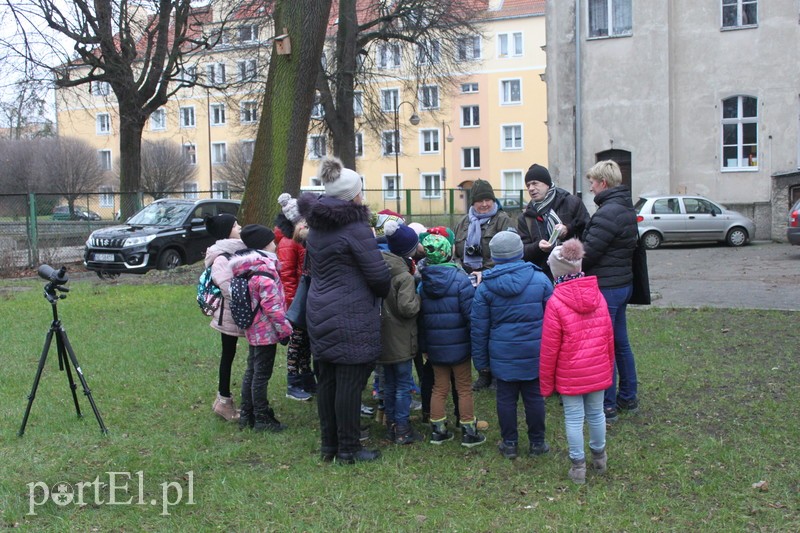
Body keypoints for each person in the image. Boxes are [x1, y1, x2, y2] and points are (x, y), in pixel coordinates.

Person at [298, 156, 391, 464]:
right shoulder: (356, 228)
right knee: (349, 382)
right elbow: (378, 276)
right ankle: (349, 449)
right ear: (353, 195)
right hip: (349, 313)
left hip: (319, 309)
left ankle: (329, 447)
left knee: (327, 380)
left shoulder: (317, 226)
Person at [471, 230, 553, 459]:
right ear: (520, 253)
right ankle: (537, 443)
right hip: (534, 353)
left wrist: (481, 363)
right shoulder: (540, 280)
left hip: (502, 355)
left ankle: (510, 444)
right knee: (535, 398)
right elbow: (553, 320)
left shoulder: (485, 287)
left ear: (494, 256)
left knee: (505, 400)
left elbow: (479, 328)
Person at [539, 238, 614, 484]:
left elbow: (549, 348)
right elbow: (608, 336)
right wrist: (609, 365)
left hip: (570, 372)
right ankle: (599, 457)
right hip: (598, 369)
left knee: (573, 417)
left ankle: (578, 466)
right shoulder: (599, 296)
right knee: (596, 414)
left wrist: (546, 384)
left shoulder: (555, 302)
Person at [581, 160, 640, 422]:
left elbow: (589, 253)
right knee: (621, 343)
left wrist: (567, 252)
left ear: (603, 183)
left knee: (605, 347)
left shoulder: (607, 212)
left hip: (608, 288)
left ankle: (607, 405)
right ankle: (628, 396)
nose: (591, 187)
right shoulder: (625, 208)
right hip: (623, 284)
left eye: (593, 182)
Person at [418, 233, 485, 447]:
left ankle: (438, 429)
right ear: (448, 252)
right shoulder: (460, 280)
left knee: (439, 387)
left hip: (436, 347)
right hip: (460, 346)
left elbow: (421, 319)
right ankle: (468, 430)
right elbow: (470, 315)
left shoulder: (423, 282)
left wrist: (425, 346)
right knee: (463, 387)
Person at [229, 225, 294, 432]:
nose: (275, 244)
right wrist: (285, 331)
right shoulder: (263, 271)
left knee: (252, 370)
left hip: (253, 328)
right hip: (265, 330)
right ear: (265, 244)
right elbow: (273, 307)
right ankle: (261, 417)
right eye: (272, 241)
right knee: (261, 375)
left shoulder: (247, 267)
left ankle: (247, 414)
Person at [453, 179, 514, 391]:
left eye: (488, 199)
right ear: (473, 202)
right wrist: (462, 272)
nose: (485, 204)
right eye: (480, 201)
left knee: (495, 331)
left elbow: (507, 253)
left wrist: (485, 273)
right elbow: (455, 254)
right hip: (469, 285)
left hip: (494, 282)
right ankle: (483, 373)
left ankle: (498, 374)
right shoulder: (463, 223)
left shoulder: (503, 220)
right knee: (477, 330)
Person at [379, 219, 423, 445]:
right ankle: (403, 428)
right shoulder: (404, 277)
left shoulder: (380, 268)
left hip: (382, 338)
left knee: (389, 383)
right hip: (401, 340)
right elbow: (407, 308)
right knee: (403, 384)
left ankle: (391, 424)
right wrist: (419, 299)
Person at [204, 213, 246, 421]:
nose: (240, 227)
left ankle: (222, 399)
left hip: (235, 311)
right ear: (226, 231)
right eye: (236, 225)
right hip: (229, 313)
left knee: (229, 356)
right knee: (227, 356)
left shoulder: (234, 251)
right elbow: (227, 287)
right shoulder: (221, 257)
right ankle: (224, 402)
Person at [517, 163, 590, 279]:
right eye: (528, 185)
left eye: (535, 183)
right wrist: (537, 247)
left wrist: (568, 229)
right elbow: (521, 250)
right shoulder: (525, 217)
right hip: (542, 278)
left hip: (574, 274)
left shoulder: (571, 203)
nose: (531, 188)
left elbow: (587, 231)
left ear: (547, 184)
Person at [276, 193, 316, 402]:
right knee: (296, 342)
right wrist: (291, 304)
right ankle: (293, 381)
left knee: (306, 341)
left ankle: (306, 377)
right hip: (296, 301)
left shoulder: (302, 239)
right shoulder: (288, 243)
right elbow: (287, 276)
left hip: (307, 297)